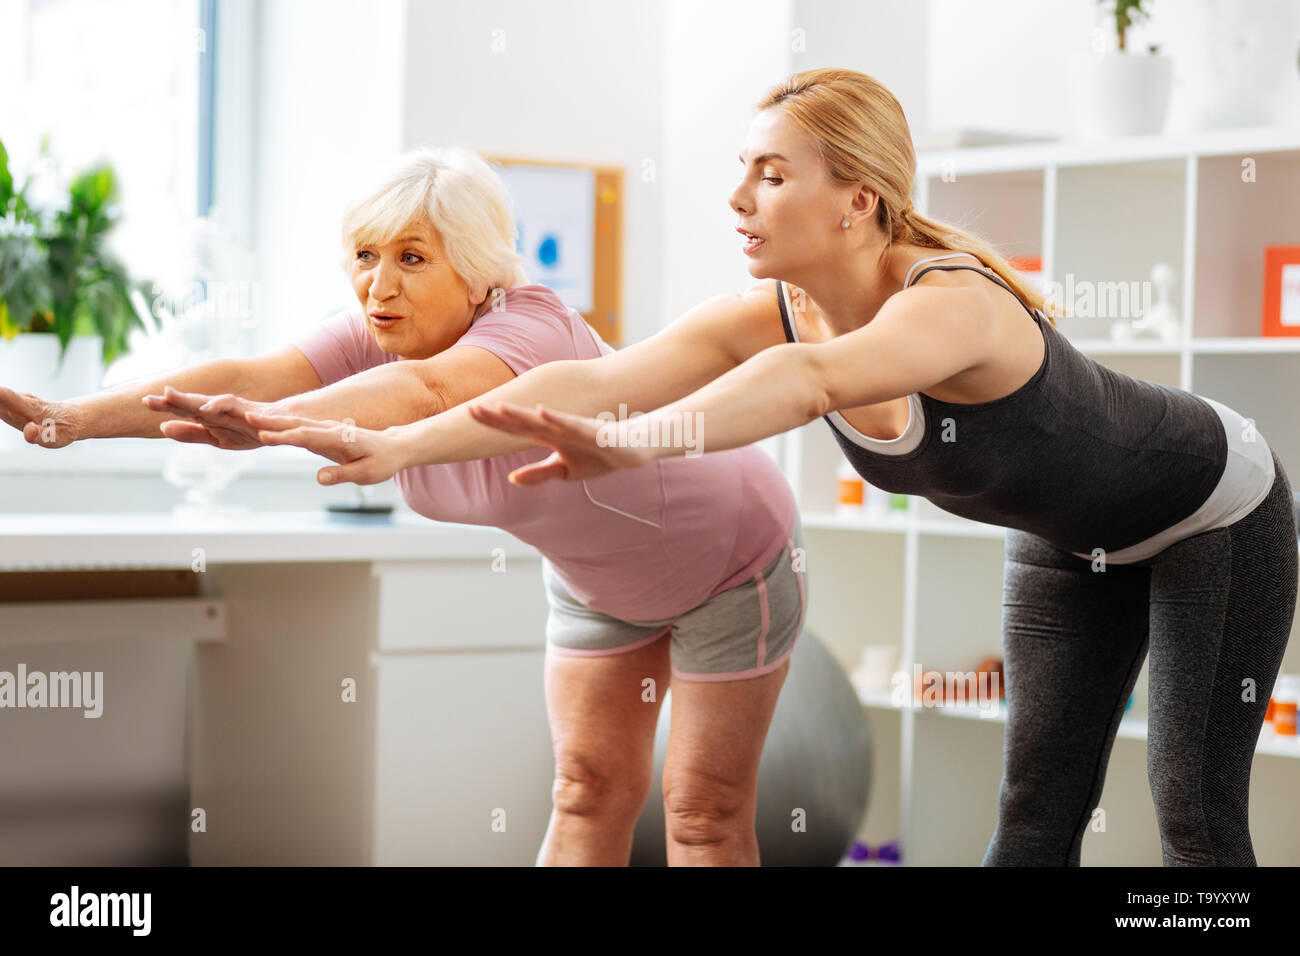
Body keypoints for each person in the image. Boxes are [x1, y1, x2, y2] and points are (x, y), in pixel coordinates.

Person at [234, 68, 1296, 867]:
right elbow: (605, 381)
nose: (737, 194)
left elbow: (806, 381)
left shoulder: (954, 301)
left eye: (770, 172)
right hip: (1070, 540)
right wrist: (395, 445)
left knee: (1191, 814)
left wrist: (638, 442)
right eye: (739, 168)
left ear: (858, 199)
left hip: (1213, 507)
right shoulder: (768, 310)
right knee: (1033, 811)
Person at [0, 147, 807, 867]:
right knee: (585, 791)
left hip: (727, 554)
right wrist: (69, 420)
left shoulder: (532, 328)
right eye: (365, 255)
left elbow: (425, 392)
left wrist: (281, 428)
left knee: (702, 816)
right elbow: (249, 380)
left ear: (478, 269)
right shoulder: (375, 332)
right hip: (601, 583)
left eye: (412, 258)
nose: (378, 286)